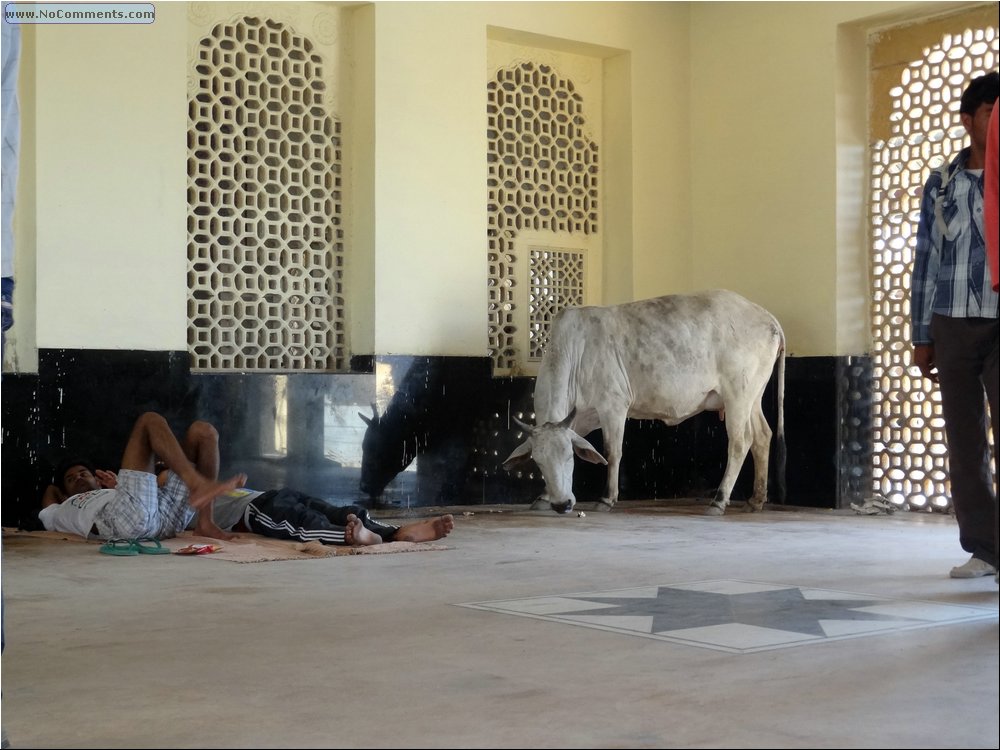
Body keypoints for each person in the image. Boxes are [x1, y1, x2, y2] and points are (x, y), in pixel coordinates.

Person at [911, 71, 999, 580]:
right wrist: (922, 335)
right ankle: (984, 550)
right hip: (951, 323)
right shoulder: (941, 184)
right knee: (965, 443)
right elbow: (925, 260)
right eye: (991, 112)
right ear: (968, 120)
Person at [39, 412, 247, 543]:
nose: (79, 478)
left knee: (203, 432)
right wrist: (65, 492)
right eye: (70, 479)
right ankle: (198, 484)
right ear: (65, 492)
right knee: (149, 420)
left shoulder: (111, 491)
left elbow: (141, 493)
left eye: (84, 473)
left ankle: (205, 522)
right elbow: (50, 492)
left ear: (97, 478)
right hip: (125, 522)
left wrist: (117, 487)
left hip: (165, 517)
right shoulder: (60, 509)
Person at [199, 485, 455, 547]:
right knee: (306, 522)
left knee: (341, 513)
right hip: (251, 511)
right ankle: (370, 536)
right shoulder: (170, 494)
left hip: (266, 497)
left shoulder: (189, 483)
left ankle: (395, 532)